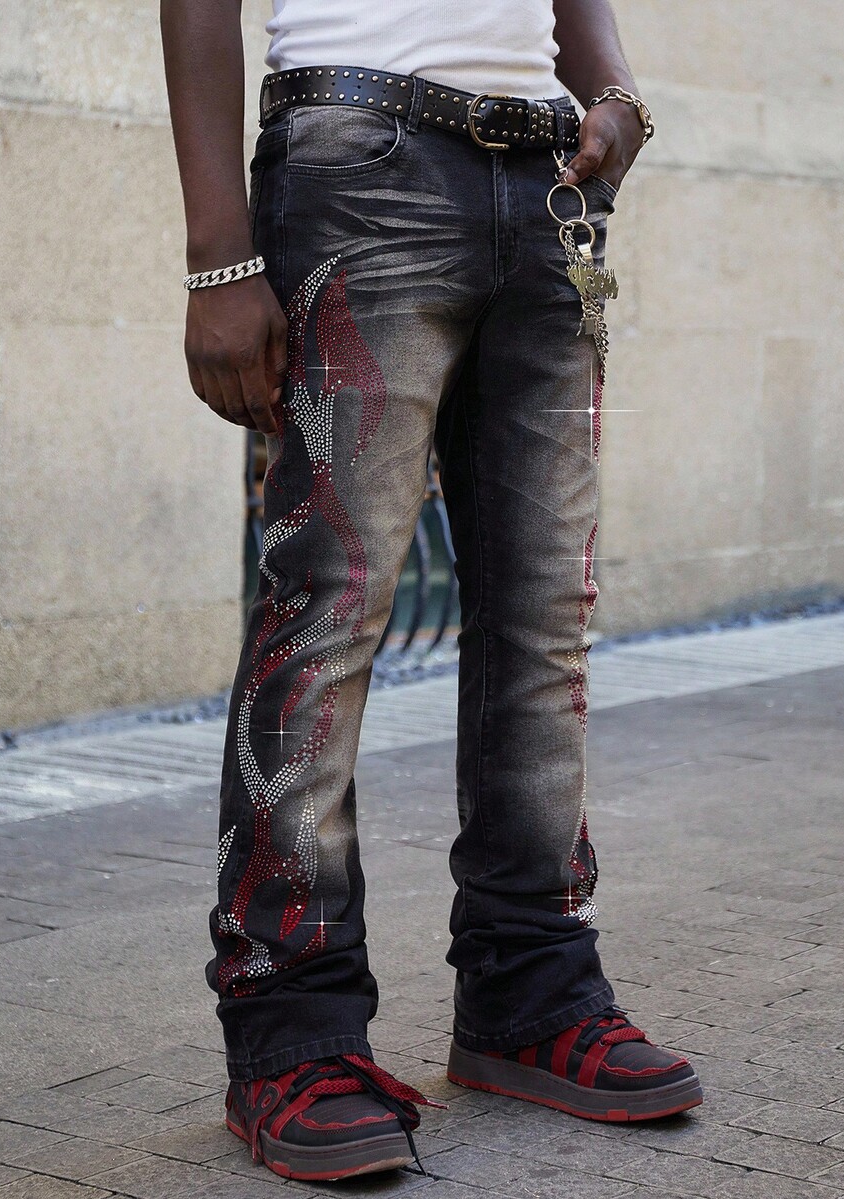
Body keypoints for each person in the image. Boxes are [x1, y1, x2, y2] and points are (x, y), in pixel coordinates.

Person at [160, 0, 703, 1181]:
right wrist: (220, 255)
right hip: (357, 162)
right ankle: (290, 1032)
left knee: (546, 616)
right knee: (327, 615)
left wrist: (614, 90)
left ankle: (531, 990)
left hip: (551, 185)